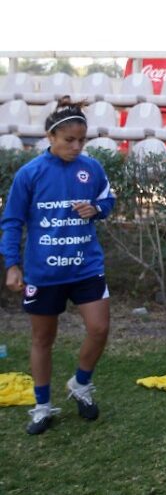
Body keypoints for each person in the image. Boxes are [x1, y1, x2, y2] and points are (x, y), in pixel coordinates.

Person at [1, 98, 116, 435]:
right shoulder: (30, 173)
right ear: (50, 137)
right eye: (69, 140)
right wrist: (12, 265)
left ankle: (80, 384)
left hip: (85, 266)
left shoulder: (92, 168)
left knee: (99, 328)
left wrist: (96, 209)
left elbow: (108, 200)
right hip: (44, 272)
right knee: (42, 339)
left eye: (82, 140)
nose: (77, 146)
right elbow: (11, 222)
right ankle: (42, 406)